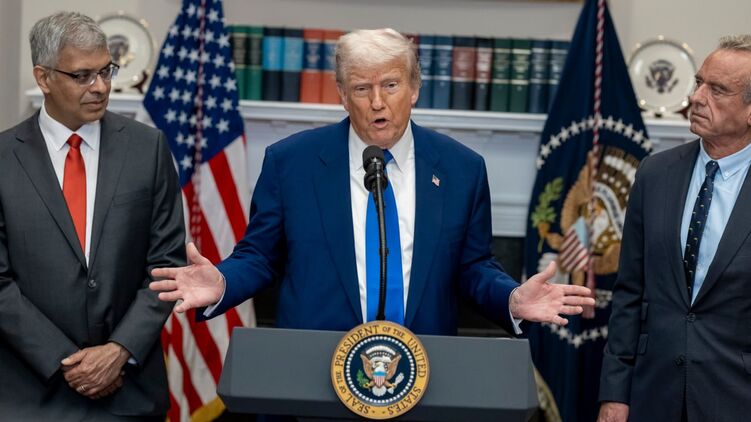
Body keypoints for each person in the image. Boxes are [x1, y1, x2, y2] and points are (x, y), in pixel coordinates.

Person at [150, 29, 593, 337]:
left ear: (414, 88)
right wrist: (223, 282)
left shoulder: (462, 168)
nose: (377, 102)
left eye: (391, 85)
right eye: (362, 89)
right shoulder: (291, 162)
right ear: (343, 95)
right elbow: (261, 256)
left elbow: (473, 267)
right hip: (314, 370)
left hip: (422, 373)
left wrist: (512, 299)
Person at [0, 12, 185, 421]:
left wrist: (118, 351)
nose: (100, 87)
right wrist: (68, 362)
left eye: (105, 71)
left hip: (129, 393)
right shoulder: (3, 159)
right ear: (44, 78)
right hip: (27, 396)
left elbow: (167, 265)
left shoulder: (148, 149)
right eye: (82, 76)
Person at [598, 35, 751, 422]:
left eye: (718, 90)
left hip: (736, 398)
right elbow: (628, 292)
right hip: (653, 394)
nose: (696, 97)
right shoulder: (655, 173)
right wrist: (614, 394)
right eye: (699, 82)